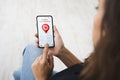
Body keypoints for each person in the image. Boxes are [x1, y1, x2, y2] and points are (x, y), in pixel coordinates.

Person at [13, 0, 120, 80]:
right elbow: (90, 74)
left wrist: (41, 78)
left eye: (98, 8)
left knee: (30, 51)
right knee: (19, 72)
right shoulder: (112, 65)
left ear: (110, 26)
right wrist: (62, 51)